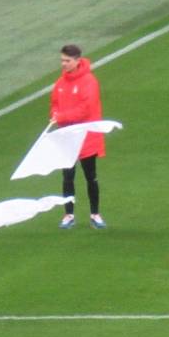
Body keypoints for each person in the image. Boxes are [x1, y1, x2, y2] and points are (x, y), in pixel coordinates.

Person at [50, 44, 107, 230]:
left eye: (67, 61)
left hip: (86, 138)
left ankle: (95, 214)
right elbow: (55, 104)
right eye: (62, 60)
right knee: (67, 176)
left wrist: (62, 117)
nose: (63, 64)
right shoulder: (60, 83)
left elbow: (86, 109)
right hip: (67, 137)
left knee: (91, 176)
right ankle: (68, 214)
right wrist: (55, 115)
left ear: (77, 60)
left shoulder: (89, 82)